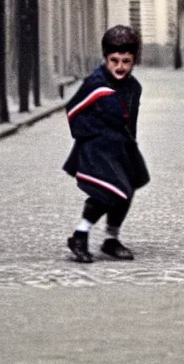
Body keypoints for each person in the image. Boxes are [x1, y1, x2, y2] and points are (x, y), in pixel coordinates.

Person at [63, 25, 150, 263]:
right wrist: (92, 135)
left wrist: (130, 143)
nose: (120, 66)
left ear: (134, 60)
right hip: (97, 147)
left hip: (121, 146)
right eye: (114, 60)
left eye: (126, 61)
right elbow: (73, 111)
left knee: (128, 186)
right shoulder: (97, 84)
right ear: (105, 58)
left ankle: (111, 239)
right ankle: (79, 235)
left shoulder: (134, 87)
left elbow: (131, 119)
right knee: (108, 190)